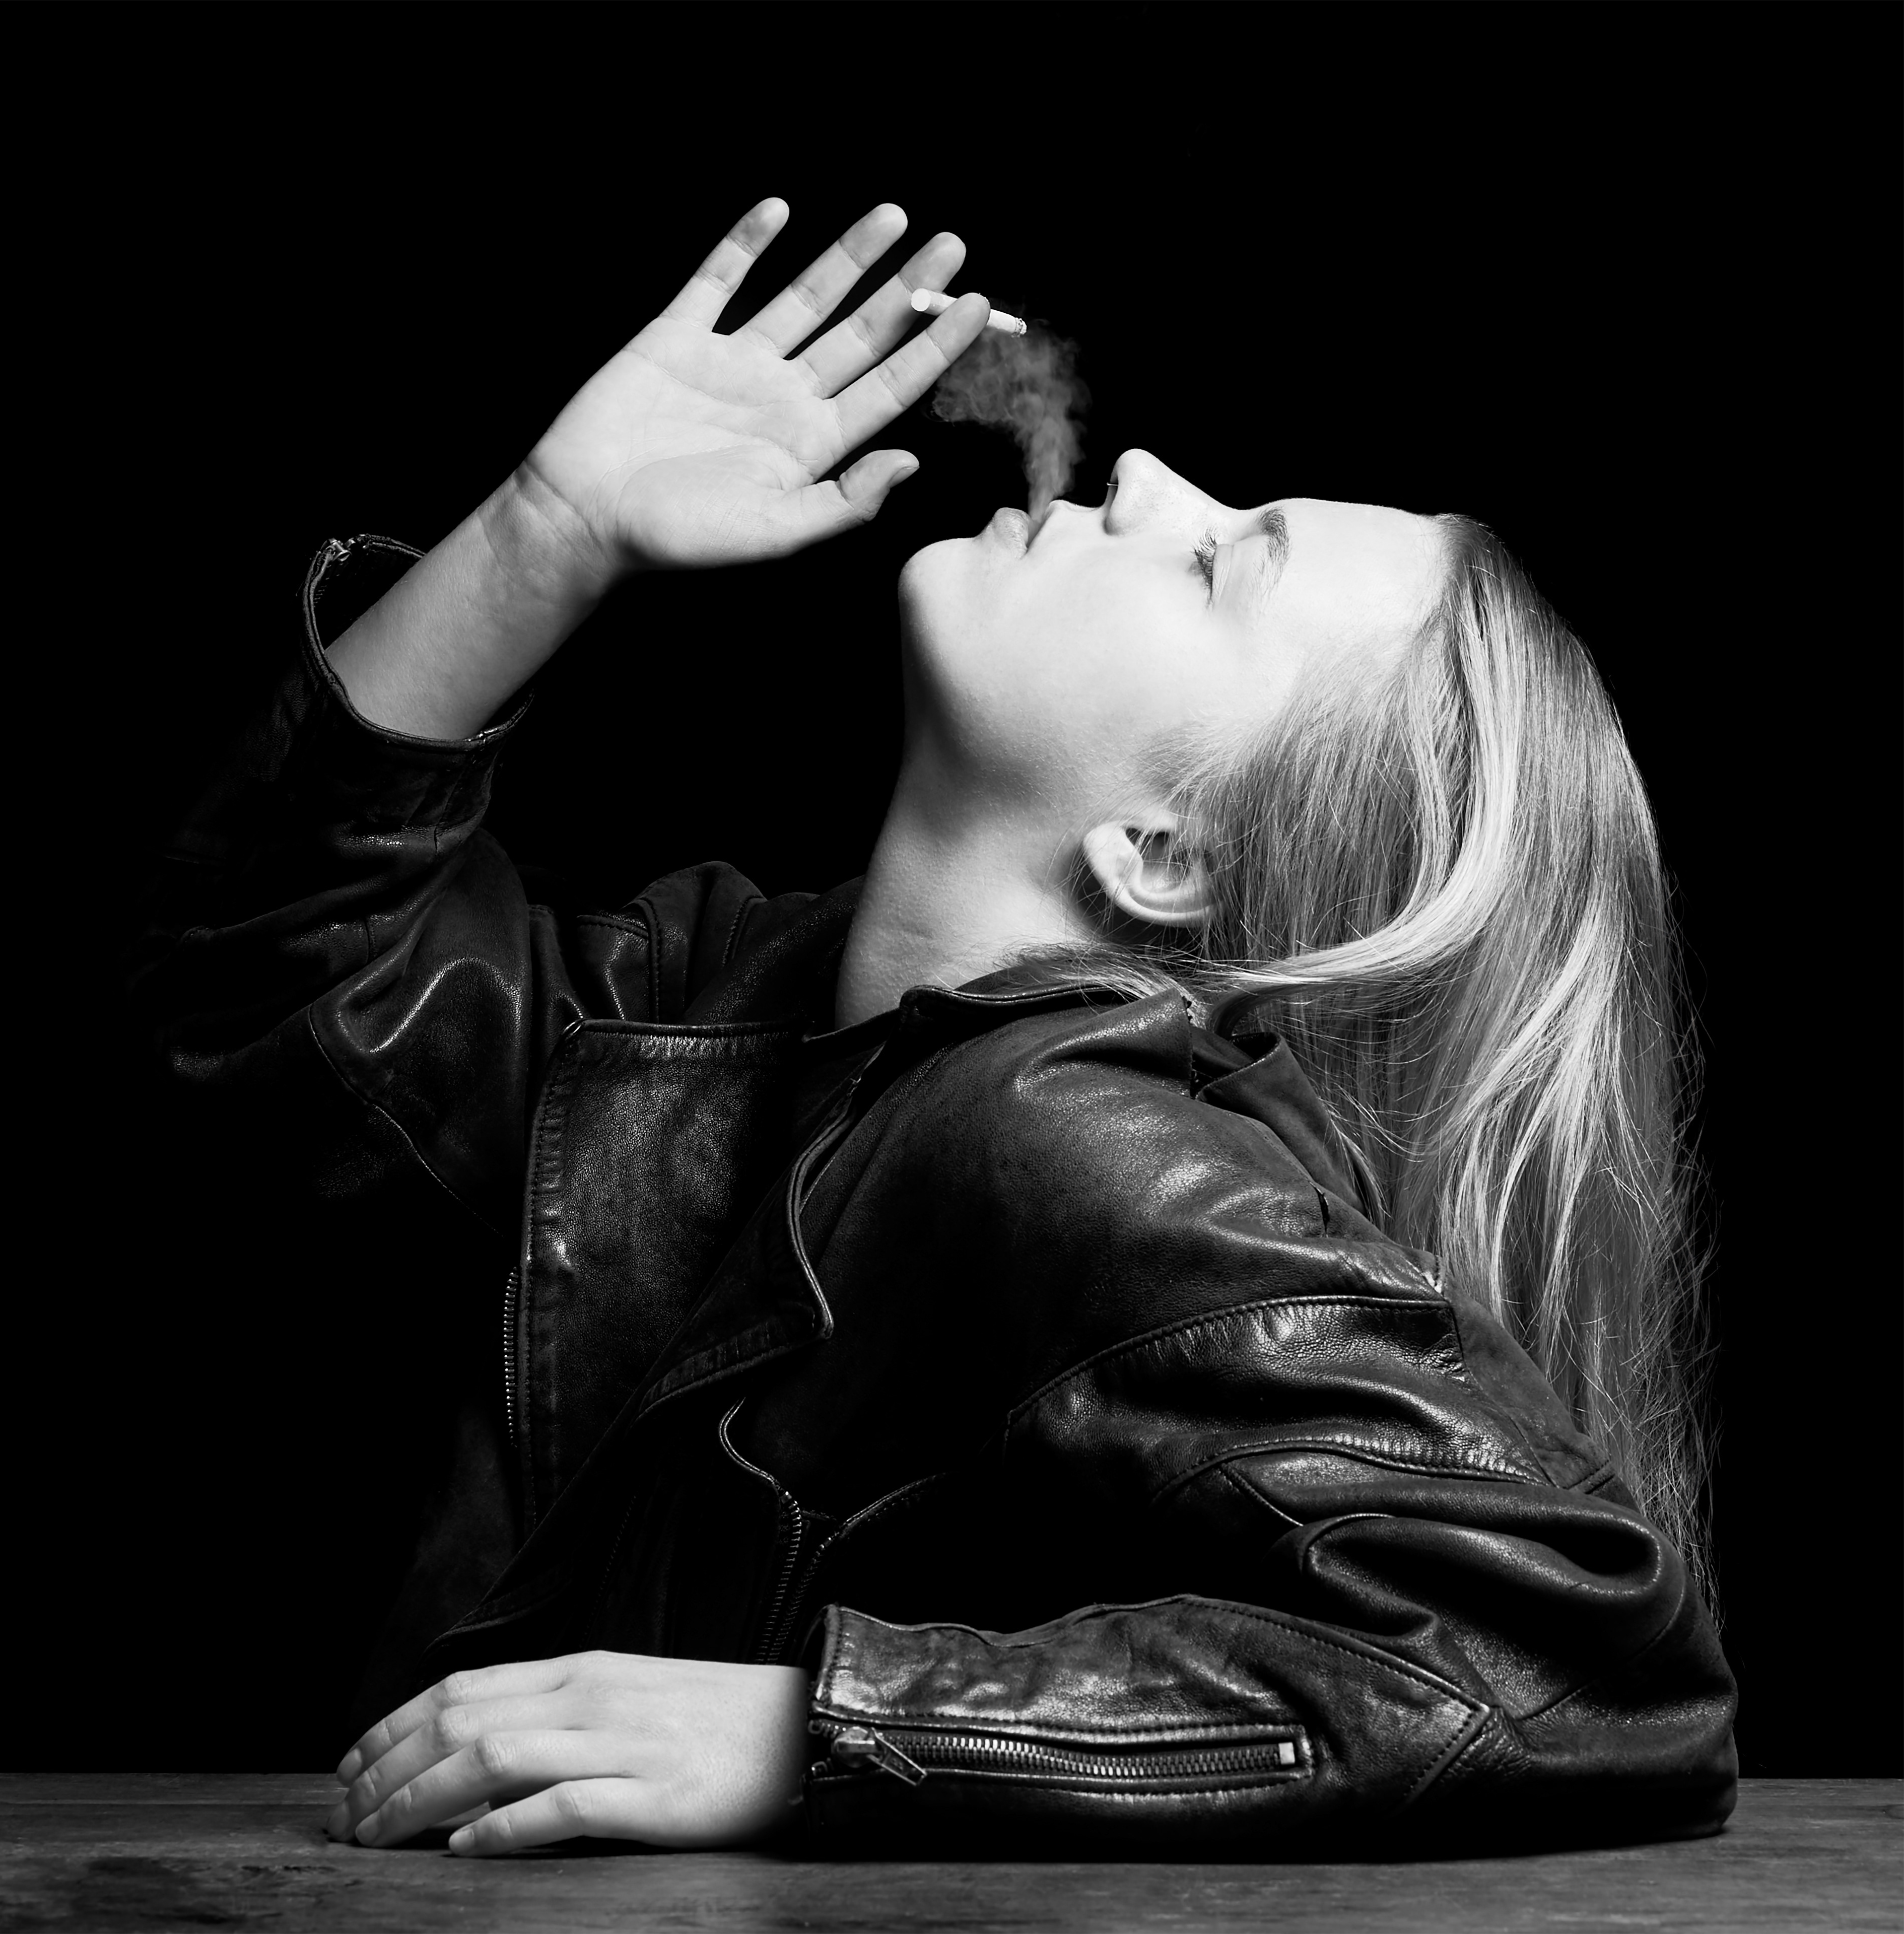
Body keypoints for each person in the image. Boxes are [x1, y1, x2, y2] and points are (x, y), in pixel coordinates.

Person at [130, 199, 1736, 1856]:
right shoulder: (729, 989)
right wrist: (548, 534)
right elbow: (262, 987)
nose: (1147, 477)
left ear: (1165, 854)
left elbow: (1576, 1670)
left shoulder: (1073, 1136)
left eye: (1216, 563)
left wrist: (822, 1724)